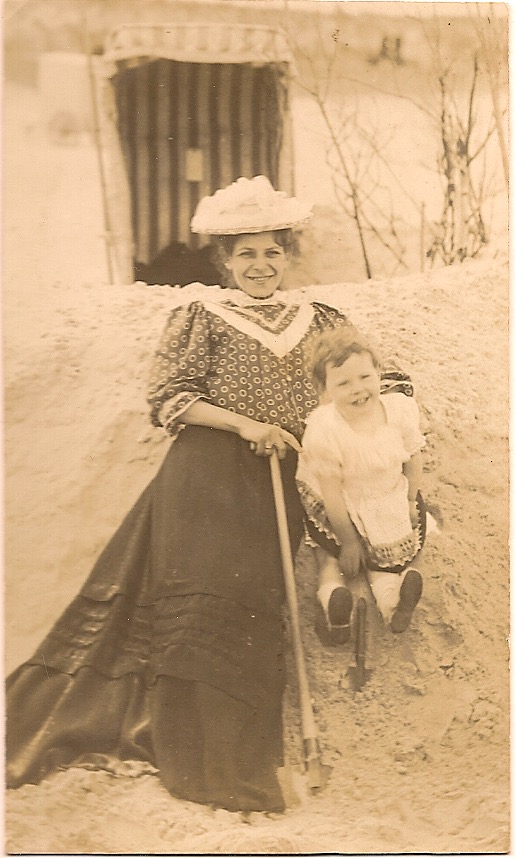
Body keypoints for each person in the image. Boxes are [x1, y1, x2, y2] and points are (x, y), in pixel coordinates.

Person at [6, 176, 362, 815]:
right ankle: (196, 758)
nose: (260, 265)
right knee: (202, 607)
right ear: (224, 260)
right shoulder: (202, 316)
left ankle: (240, 757)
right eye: (245, 254)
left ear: (287, 255)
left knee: (250, 612)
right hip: (206, 476)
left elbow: (363, 387)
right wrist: (245, 424)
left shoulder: (323, 322)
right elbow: (169, 398)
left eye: (272, 251)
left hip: (281, 477)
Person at [296, 327, 426, 642]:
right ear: (324, 391)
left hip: (384, 492)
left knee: (386, 557)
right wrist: (349, 542)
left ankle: (393, 604)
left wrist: (410, 502)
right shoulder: (324, 430)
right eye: (343, 383)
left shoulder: (398, 410)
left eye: (365, 377)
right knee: (332, 555)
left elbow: (413, 458)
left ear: (379, 372)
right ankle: (334, 598)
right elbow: (332, 496)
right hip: (340, 503)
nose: (358, 390)